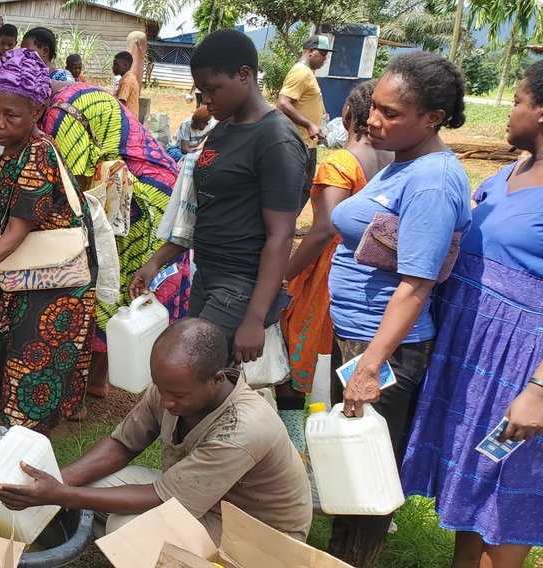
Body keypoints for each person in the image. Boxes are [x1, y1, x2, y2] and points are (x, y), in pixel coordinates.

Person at [326, 51, 471, 567]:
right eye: (375, 106)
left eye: (390, 112)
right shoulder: (404, 164)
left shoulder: (432, 181)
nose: (373, 119)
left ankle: (352, 561)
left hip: (383, 349)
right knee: (347, 467)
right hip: (360, 338)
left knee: (366, 480)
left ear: (432, 118)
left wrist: (370, 365)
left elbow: (415, 285)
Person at [401, 62, 543, 568]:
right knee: (472, 480)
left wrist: (538, 390)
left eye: (518, 100)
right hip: (471, 350)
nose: (509, 110)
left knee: (504, 489)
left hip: (519, 364)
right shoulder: (512, 171)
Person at [0, 318, 312, 542]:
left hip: (257, 534)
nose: (166, 402)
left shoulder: (242, 430)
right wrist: (58, 481)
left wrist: (63, 496)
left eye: (178, 395)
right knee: (94, 486)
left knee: (127, 527)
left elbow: (163, 498)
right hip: (203, 499)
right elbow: (123, 444)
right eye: (161, 388)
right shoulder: (172, 387)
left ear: (216, 380)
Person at [0, 49, 97, 433]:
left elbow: (16, 232)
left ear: (37, 111)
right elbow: (14, 218)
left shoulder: (38, 155)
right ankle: (17, 438)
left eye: (10, 115)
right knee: (18, 361)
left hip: (51, 283)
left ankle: (25, 448)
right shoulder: (15, 149)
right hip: (27, 275)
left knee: (31, 367)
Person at [130, 29, 305, 366]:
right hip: (207, 273)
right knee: (207, 376)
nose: (206, 100)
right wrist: (157, 261)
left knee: (190, 368)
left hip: (241, 285)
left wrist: (254, 317)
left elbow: (281, 236)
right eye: (201, 91)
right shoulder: (223, 129)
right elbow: (204, 210)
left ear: (244, 75)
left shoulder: (275, 140)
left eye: (212, 89)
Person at [39, 82, 185, 412]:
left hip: (137, 201)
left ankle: (76, 396)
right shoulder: (79, 94)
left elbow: (72, 188)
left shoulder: (61, 114)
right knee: (117, 291)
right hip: (153, 192)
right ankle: (95, 381)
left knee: (100, 289)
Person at [278, 81, 391, 451]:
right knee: (343, 362)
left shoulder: (341, 163)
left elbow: (325, 229)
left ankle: (298, 448)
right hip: (370, 274)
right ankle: (336, 443)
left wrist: (284, 275)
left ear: (347, 115)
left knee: (297, 359)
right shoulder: (392, 162)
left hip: (327, 274)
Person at [277, 34, 332, 208]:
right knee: (294, 192)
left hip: (309, 143)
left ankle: (288, 222)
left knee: (303, 190)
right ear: (310, 51)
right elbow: (283, 103)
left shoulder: (308, 73)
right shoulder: (301, 72)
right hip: (299, 144)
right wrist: (309, 124)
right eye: (322, 54)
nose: (324, 59)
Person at [113, 51, 141, 119]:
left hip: (127, 119)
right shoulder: (131, 77)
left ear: (126, 66)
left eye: (116, 65)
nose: (113, 67)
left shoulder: (126, 82)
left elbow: (120, 104)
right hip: (132, 118)